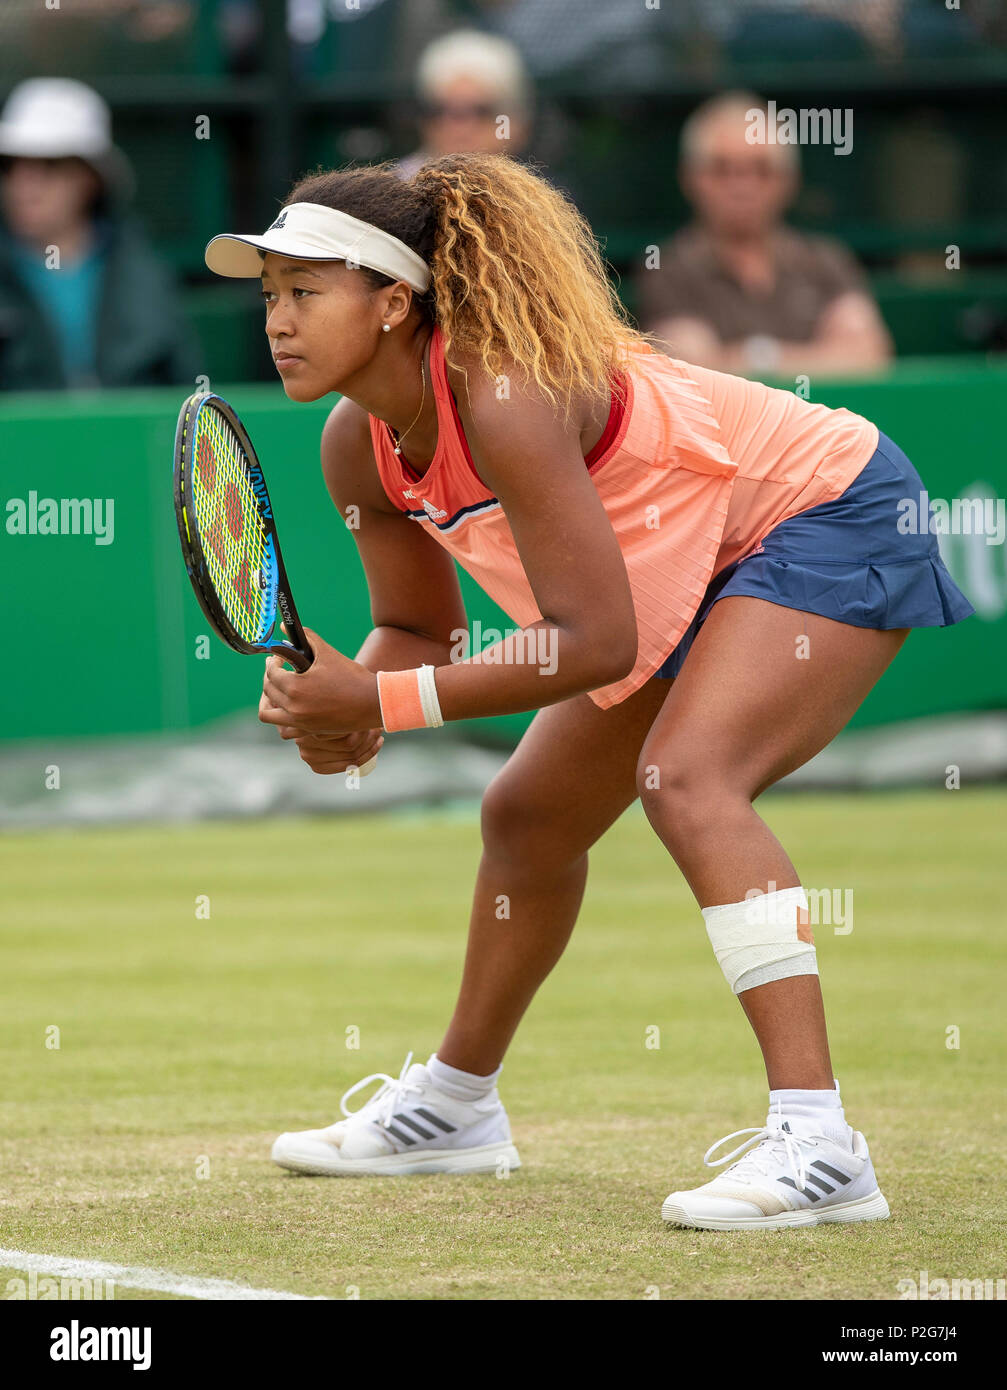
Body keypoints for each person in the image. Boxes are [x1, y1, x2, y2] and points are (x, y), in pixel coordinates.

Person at [203, 153, 972, 1228]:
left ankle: (819, 1140)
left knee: (687, 777)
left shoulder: (506, 397)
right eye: (270, 295)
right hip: (688, 564)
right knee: (524, 814)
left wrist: (380, 704)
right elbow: (417, 631)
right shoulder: (355, 444)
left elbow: (596, 642)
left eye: (304, 292)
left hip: (827, 510)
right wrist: (348, 700)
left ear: (390, 303)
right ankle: (457, 1108)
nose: (276, 321)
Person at [635, 92, 893, 379]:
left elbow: (868, 355)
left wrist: (753, 357)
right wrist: (817, 359)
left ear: (789, 180)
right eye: (722, 169)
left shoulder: (825, 258)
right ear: (690, 178)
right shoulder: (667, 268)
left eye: (761, 169)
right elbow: (692, 370)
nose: (742, 186)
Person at [0, 78, 197, 391]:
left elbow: (181, 388)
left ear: (90, 178)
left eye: (49, 164)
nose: (25, 185)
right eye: (10, 166)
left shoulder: (145, 274)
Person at [395, 28, 533, 182]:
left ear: (514, 124)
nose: (460, 130)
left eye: (481, 112)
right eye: (440, 111)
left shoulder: (542, 198)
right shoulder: (398, 191)